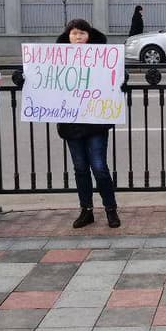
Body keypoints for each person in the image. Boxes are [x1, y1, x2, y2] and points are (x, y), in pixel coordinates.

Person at [57, 19, 121, 229]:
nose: (78, 38)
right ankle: (86, 210)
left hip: (96, 122)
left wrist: (121, 78)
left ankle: (111, 209)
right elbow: (39, 79)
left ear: (89, 36)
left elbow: (118, 77)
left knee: (99, 168)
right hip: (71, 123)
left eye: (82, 34)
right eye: (74, 33)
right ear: (68, 36)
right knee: (80, 168)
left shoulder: (102, 57)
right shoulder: (56, 59)